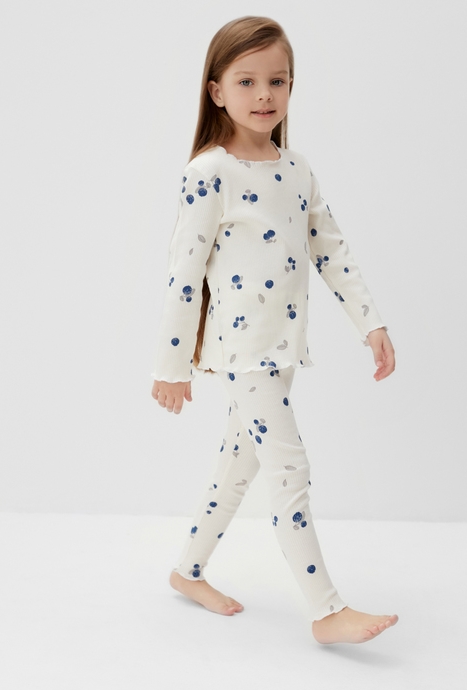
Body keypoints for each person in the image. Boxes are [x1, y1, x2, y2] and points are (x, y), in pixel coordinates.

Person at [150, 15, 398, 645]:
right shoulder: (210, 172)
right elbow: (184, 274)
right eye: (247, 81)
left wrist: (370, 322)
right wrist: (171, 367)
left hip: (284, 349)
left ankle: (187, 571)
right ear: (216, 91)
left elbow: (331, 250)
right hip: (242, 353)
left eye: (277, 81)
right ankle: (326, 610)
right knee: (290, 470)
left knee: (238, 468)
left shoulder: (297, 169)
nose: (264, 95)